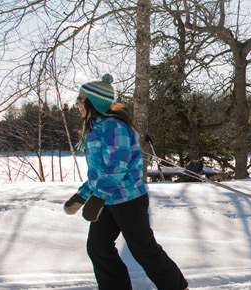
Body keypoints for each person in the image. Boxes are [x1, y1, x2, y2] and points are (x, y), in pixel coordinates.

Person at [62, 74, 189, 290]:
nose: (77, 104)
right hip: (108, 200)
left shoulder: (113, 126)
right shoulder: (97, 126)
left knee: (143, 249)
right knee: (98, 247)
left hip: (127, 199)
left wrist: (97, 198)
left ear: (94, 102)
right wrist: (83, 195)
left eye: (81, 99)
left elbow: (117, 166)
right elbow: (98, 173)